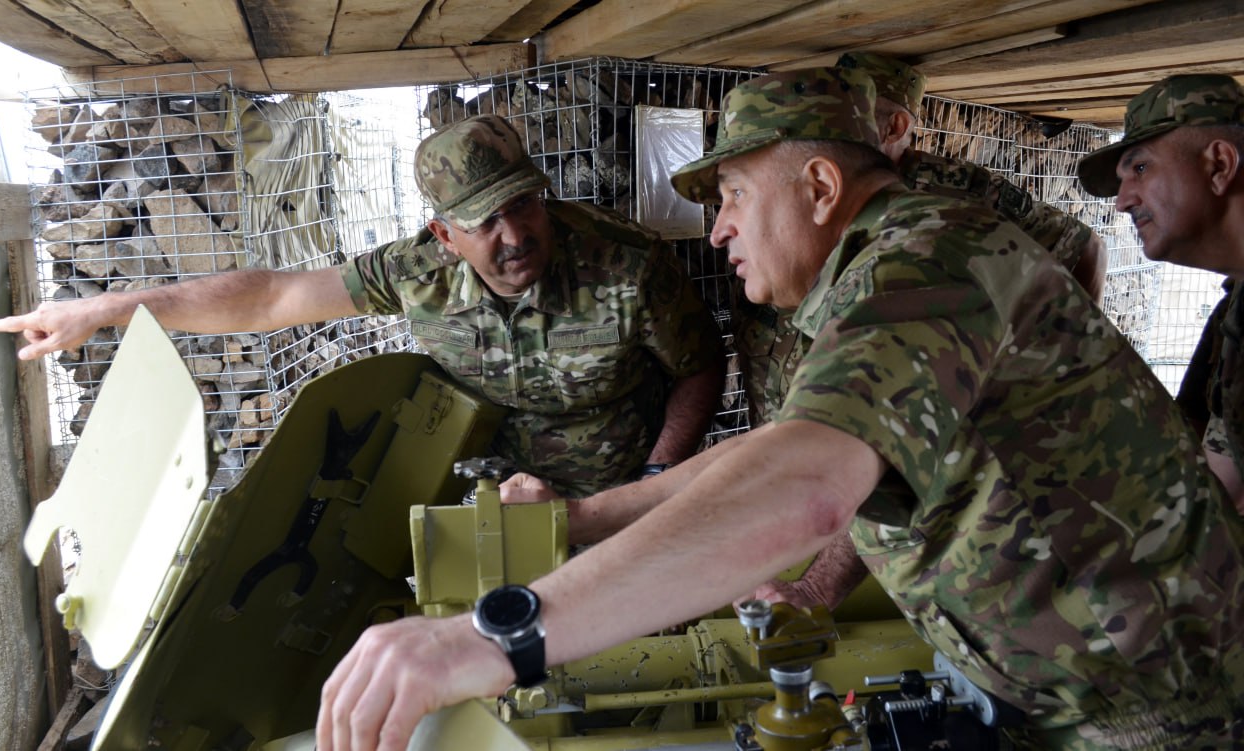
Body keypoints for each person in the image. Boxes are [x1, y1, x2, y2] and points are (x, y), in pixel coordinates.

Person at [315, 68, 1244, 751]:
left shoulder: (930, 262)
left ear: (822, 188)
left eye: (732, 196)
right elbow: (771, 448)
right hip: (1075, 685)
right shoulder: (871, 277)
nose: (716, 228)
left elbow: (803, 491)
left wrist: (495, 639)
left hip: (1160, 700)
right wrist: (582, 520)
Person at [0, 114, 725, 497]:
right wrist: (107, 308)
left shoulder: (627, 265)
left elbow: (699, 367)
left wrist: (655, 482)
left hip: (626, 481)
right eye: (486, 221)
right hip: (496, 488)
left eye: (525, 204)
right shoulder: (415, 272)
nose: (517, 234)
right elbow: (270, 298)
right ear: (443, 234)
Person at [731, 51, 1112, 611]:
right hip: (808, 435)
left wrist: (1056, 347)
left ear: (894, 127)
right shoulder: (809, 221)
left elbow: (1082, 245)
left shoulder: (933, 223)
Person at [1077, 73, 1244, 513]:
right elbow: (1219, 491)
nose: (1122, 200)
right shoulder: (1234, 314)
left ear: (1219, 165)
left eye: (1141, 168)